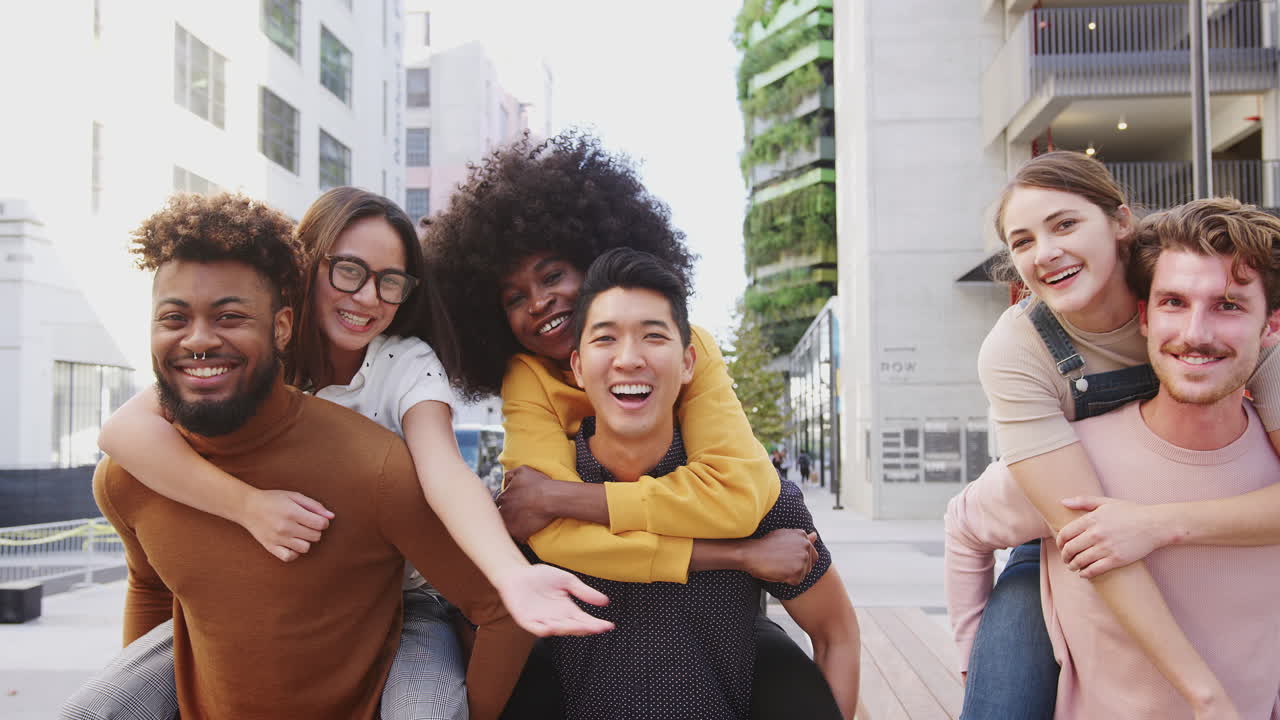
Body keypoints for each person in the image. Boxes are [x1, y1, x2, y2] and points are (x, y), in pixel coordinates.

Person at [72, 189, 611, 720]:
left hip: (402, 599)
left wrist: (508, 574)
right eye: (348, 271)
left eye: (390, 281)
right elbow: (122, 434)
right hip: (271, 598)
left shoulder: (403, 365)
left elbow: (443, 469)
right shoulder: (257, 360)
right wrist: (247, 506)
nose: (368, 297)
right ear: (305, 268)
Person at [423, 130, 842, 716]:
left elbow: (741, 497)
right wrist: (738, 555)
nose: (539, 301)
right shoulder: (528, 377)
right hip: (593, 647)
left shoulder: (686, 347)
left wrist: (567, 495)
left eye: (552, 276)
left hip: (714, 643)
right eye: (515, 296)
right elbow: (550, 535)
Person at [967, 151, 1280, 720]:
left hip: (1176, 501)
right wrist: (1204, 697)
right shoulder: (1017, 350)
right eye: (1023, 241)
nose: (1048, 251)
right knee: (1003, 702)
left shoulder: (1192, 276)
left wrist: (1157, 523)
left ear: (1120, 222)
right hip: (1064, 526)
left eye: (1064, 224)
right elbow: (1089, 533)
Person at [536, 248, 860, 719]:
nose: (629, 359)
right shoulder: (542, 500)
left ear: (689, 362)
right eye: (605, 339)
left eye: (653, 336)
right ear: (579, 366)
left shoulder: (752, 500)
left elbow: (837, 634)